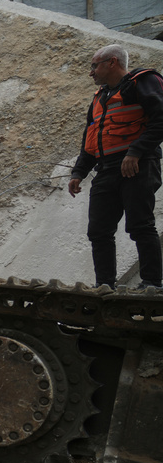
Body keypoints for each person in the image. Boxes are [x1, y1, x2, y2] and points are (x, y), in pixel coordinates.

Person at [69, 44, 163, 289]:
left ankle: (152, 283)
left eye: (94, 65)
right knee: (98, 231)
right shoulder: (100, 97)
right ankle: (104, 286)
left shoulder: (143, 82)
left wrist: (136, 152)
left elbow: (160, 119)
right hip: (107, 168)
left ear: (112, 62)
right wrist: (79, 172)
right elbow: (91, 138)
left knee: (140, 224)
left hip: (138, 165)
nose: (91, 72)